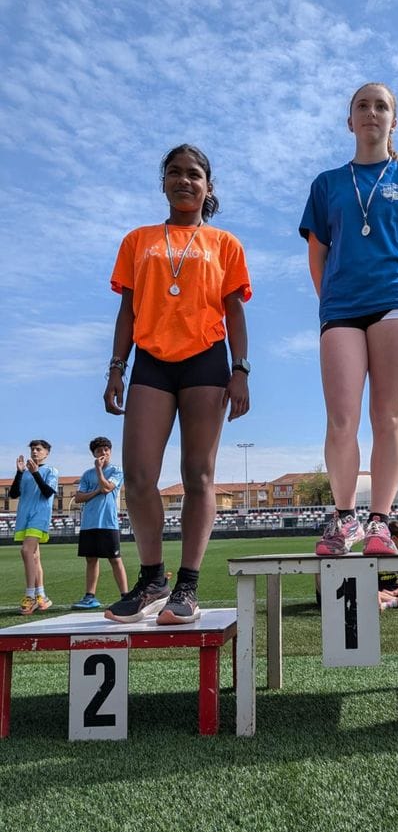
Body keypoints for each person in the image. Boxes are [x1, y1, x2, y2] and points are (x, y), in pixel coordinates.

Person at [103, 144, 252, 624]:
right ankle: (152, 579)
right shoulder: (137, 240)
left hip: (206, 361)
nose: (184, 180)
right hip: (150, 361)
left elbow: (234, 311)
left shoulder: (224, 244)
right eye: (174, 173)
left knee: (198, 475)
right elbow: (126, 309)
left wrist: (241, 369)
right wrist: (116, 367)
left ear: (208, 187)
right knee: (140, 478)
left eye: (194, 174)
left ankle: (187, 586)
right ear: (163, 181)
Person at [299, 82, 398, 557]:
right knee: (341, 418)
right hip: (340, 305)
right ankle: (345, 518)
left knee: (389, 415)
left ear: (393, 120)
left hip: (395, 302)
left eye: (381, 106)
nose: (371, 112)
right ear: (350, 121)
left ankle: (379, 521)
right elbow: (316, 254)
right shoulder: (327, 183)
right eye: (362, 105)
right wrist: (332, 300)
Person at [72, 437, 129, 610]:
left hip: (108, 522)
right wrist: (96, 490)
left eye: (106, 449)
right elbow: (78, 497)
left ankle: (125, 597)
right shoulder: (86, 474)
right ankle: (90, 597)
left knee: (115, 559)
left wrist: (98, 470)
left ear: (110, 451)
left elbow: (107, 488)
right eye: (99, 451)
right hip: (89, 523)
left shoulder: (117, 470)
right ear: (94, 454)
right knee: (91, 560)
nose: (103, 453)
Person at [10, 440, 58, 614]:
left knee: (26, 551)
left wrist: (36, 473)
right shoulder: (25, 473)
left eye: (38, 449)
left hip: (39, 516)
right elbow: (13, 494)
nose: (34, 452)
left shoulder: (51, 471)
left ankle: (30, 596)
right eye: (32, 449)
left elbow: (47, 492)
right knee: (34, 557)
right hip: (24, 517)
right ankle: (42, 596)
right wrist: (19, 472)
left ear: (47, 453)